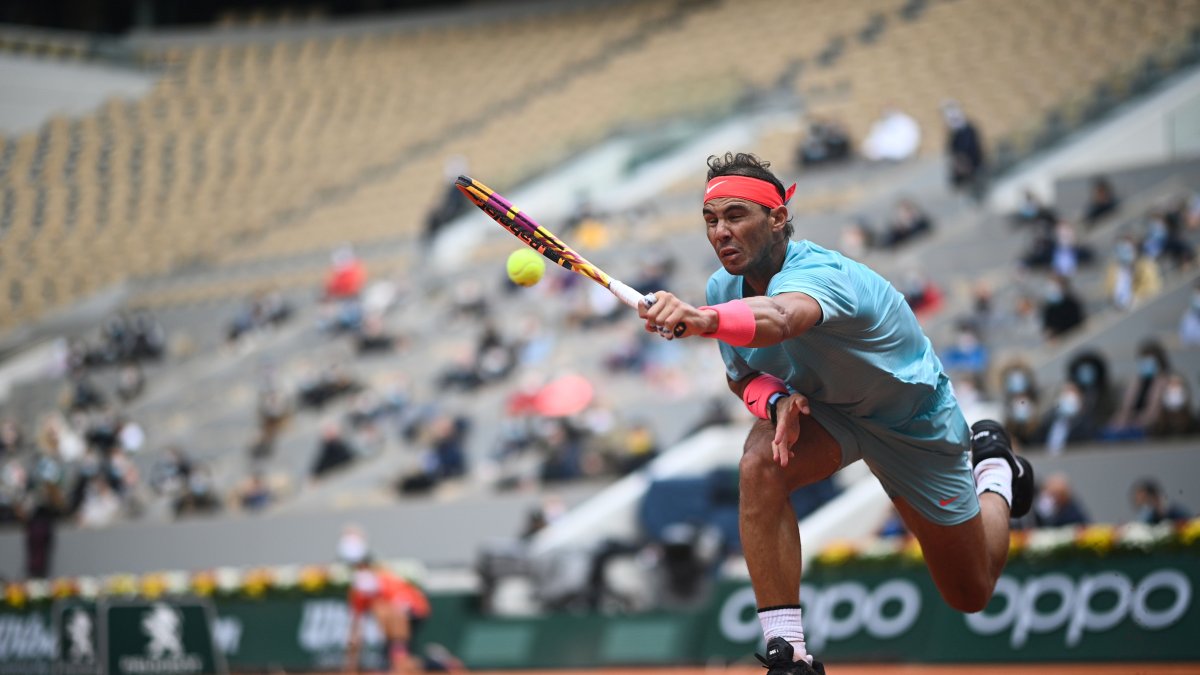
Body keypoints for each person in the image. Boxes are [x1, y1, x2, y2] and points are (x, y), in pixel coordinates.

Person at [638, 153, 1034, 675]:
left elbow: (781, 317)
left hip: (912, 420)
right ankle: (787, 653)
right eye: (711, 220)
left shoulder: (822, 272)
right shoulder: (722, 289)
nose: (720, 232)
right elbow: (743, 378)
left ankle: (995, 472)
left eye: (735, 215)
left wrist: (704, 319)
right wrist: (776, 402)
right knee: (759, 462)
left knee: (971, 591)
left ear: (777, 217)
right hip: (830, 413)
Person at [342, 532, 432, 675]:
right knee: (397, 651)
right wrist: (351, 665)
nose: (360, 569)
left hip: (415, 612)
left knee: (385, 613)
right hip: (399, 624)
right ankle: (423, 661)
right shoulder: (360, 589)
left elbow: (401, 614)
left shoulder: (386, 581)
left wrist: (398, 649)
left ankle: (412, 663)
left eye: (363, 566)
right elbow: (355, 626)